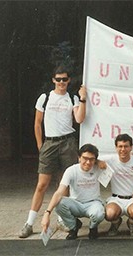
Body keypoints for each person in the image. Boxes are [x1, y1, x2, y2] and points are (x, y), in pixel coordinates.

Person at [19, 65, 87, 238]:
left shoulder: (72, 98)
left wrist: (83, 99)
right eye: (58, 79)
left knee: (63, 184)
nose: (62, 82)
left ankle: (61, 218)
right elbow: (37, 123)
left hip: (68, 143)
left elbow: (79, 119)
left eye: (65, 79)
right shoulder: (45, 97)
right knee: (42, 185)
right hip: (50, 143)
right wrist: (40, 147)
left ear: (69, 80)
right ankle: (29, 222)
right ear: (53, 80)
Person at [41, 144, 105, 240]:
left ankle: (93, 228)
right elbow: (59, 192)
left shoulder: (98, 168)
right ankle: (73, 227)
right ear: (79, 158)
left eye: (91, 159)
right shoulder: (71, 170)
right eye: (85, 158)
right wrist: (47, 213)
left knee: (99, 213)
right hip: (76, 203)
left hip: (93, 203)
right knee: (59, 204)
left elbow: (120, 156)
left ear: (95, 160)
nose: (88, 162)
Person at [101, 133, 133, 237]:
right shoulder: (110, 159)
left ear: (131, 147)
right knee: (109, 214)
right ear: (116, 147)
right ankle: (115, 223)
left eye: (126, 146)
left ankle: (132, 224)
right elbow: (91, 157)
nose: (123, 149)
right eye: (120, 146)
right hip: (116, 198)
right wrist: (98, 162)